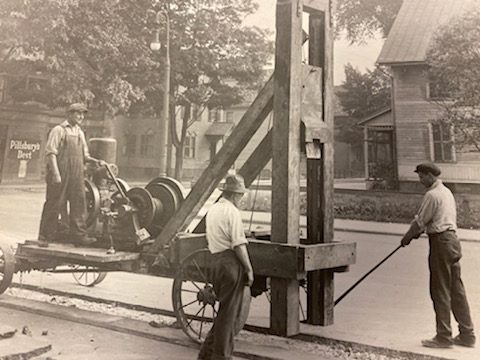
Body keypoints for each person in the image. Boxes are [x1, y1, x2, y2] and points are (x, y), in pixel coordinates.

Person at [401, 162, 475, 349]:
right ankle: (467, 335)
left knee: (439, 290)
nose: (420, 180)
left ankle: (443, 337)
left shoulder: (432, 195)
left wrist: (407, 238)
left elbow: (420, 223)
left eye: (421, 176)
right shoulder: (446, 192)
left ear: (429, 176)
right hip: (452, 242)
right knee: (456, 290)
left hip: (440, 243)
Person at [198, 174, 254, 360]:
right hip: (231, 265)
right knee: (229, 318)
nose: (241, 199)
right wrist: (248, 269)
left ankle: (206, 355)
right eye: (240, 196)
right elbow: (239, 244)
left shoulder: (213, 210)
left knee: (224, 313)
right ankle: (221, 357)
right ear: (235, 195)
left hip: (216, 263)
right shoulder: (232, 212)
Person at [38, 103, 103, 247]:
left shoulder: (79, 132)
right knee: (55, 203)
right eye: (78, 114)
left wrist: (96, 161)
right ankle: (46, 236)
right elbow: (51, 153)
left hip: (77, 173)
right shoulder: (58, 130)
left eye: (82, 114)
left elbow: (84, 155)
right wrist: (55, 173)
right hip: (60, 172)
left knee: (79, 203)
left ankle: (79, 236)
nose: (81, 117)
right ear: (69, 114)